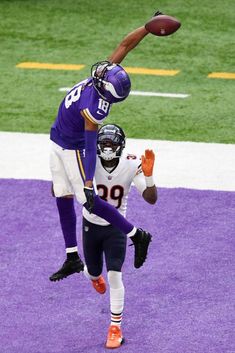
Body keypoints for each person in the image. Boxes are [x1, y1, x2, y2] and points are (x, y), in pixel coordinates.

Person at [49, 11, 162, 282]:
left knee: (89, 199)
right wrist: (146, 27)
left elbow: (89, 143)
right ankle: (72, 257)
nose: (99, 71)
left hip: (73, 147)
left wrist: (89, 179)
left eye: (102, 75)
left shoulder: (94, 108)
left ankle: (137, 235)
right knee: (61, 193)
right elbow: (125, 46)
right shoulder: (106, 81)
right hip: (58, 139)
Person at [82, 124, 157, 348]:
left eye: (111, 144)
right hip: (91, 225)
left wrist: (150, 176)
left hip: (117, 226)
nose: (106, 148)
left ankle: (115, 328)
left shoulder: (131, 163)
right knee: (93, 271)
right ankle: (93, 276)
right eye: (103, 143)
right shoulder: (89, 161)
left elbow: (151, 198)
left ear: (120, 146)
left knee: (115, 276)